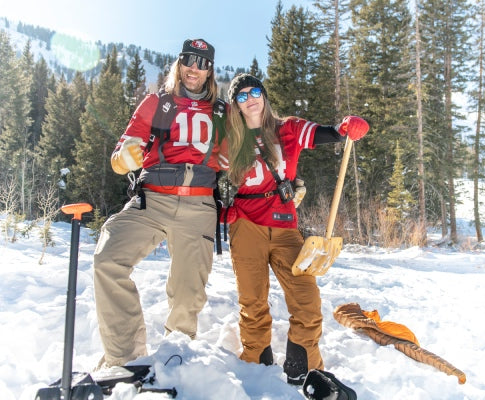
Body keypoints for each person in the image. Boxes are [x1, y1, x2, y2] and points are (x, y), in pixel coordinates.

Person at [224, 73, 369, 384]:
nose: (250, 99)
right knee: (252, 301)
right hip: (245, 226)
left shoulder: (285, 129)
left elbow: (318, 133)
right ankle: (255, 358)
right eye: (241, 96)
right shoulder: (230, 137)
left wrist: (343, 129)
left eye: (255, 92)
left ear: (264, 95)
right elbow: (204, 172)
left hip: (285, 226)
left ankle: (302, 364)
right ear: (234, 105)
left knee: (307, 298)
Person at [93, 38, 227, 368]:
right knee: (108, 260)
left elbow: (253, 147)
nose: (194, 68)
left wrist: (287, 178)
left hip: (199, 205)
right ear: (179, 63)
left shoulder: (223, 112)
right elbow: (122, 150)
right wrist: (124, 158)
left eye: (202, 63)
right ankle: (124, 360)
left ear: (210, 71)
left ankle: (173, 361)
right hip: (151, 199)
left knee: (187, 294)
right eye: (188, 60)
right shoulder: (158, 103)